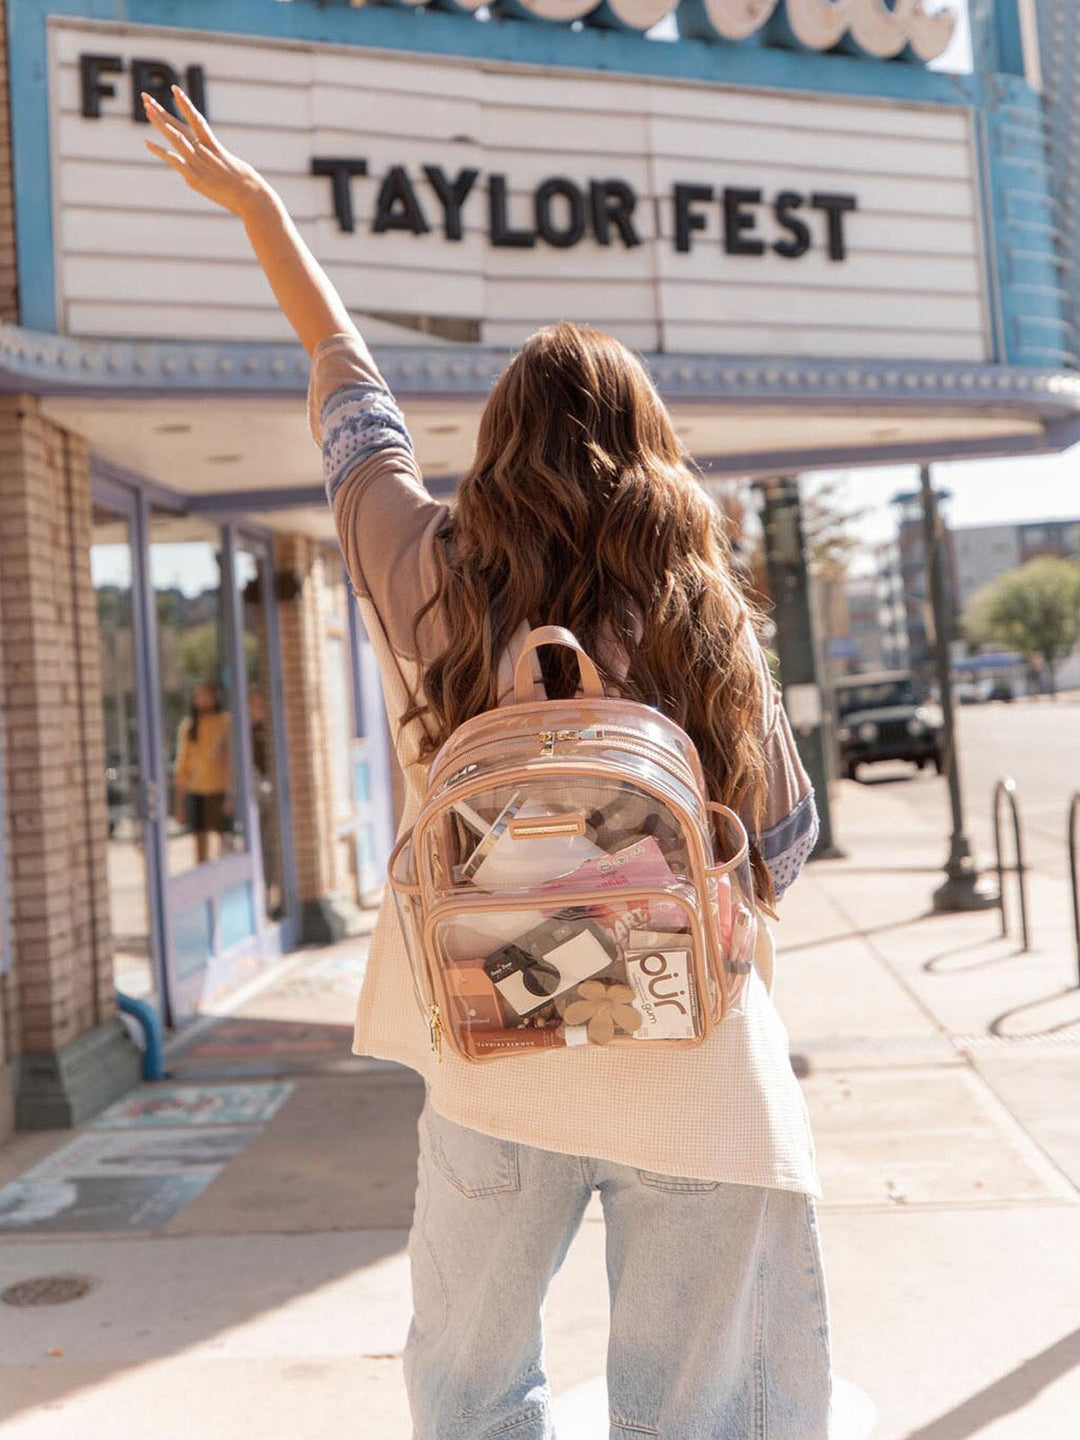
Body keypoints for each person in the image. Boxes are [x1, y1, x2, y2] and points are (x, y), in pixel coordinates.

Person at [144, 88, 829, 1438]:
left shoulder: (436, 576)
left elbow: (355, 404)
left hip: (494, 1039)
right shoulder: (703, 607)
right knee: (695, 1413)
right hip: (693, 1060)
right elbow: (787, 843)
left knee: (468, 1392)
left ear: (501, 443)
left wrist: (268, 217)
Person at [173, 680, 233, 865]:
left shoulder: (225, 722)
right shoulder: (188, 727)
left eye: (206, 695)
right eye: (198, 695)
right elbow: (182, 764)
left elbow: (230, 760)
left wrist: (230, 794)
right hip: (196, 789)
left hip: (219, 789)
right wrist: (179, 801)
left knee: (221, 839)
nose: (202, 699)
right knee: (199, 841)